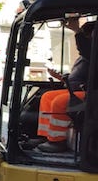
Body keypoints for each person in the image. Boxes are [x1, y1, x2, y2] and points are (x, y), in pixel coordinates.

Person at [37, 19, 94, 153]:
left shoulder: (93, 54)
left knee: (60, 102)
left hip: (92, 94)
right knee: (47, 97)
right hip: (79, 89)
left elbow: (86, 50)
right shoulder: (86, 57)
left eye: (87, 36)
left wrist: (77, 30)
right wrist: (61, 78)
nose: (86, 39)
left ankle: (58, 142)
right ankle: (47, 136)